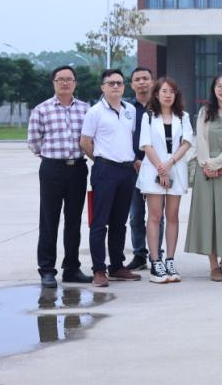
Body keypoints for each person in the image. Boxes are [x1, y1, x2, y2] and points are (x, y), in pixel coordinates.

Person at [28, 65, 92, 287]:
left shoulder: (85, 110)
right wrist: (51, 158)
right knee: (49, 220)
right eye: (60, 79)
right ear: (53, 83)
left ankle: (72, 268)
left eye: (69, 79)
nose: (65, 83)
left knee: (74, 220)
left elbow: (90, 138)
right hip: (52, 169)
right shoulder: (42, 110)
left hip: (78, 169)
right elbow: (34, 142)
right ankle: (47, 270)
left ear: (75, 83)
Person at [79, 69, 141, 287]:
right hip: (105, 170)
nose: (115, 86)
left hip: (127, 171)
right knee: (99, 222)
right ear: (103, 87)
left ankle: (117, 266)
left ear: (124, 87)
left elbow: (130, 138)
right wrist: (101, 160)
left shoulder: (130, 110)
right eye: (111, 83)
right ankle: (99, 270)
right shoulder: (94, 112)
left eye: (119, 83)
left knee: (119, 222)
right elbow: (85, 142)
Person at [185, 73, 222, 282]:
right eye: (219, 86)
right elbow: (199, 139)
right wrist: (207, 164)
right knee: (208, 217)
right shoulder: (204, 112)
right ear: (214, 89)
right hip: (205, 171)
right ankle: (213, 265)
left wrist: (218, 164)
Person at [137, 77, 195, 283]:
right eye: (164, 91)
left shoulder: (183, 116)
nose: (168, 95)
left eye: (172, 91)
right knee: (154, 216)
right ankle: (155, 262)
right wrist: (161, 169)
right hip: (153, 170)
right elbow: (146, 144)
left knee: (172, 216)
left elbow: (187, 142)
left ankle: (170, 260)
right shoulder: (149, 116)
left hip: (175, 170)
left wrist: (169, 164)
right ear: (156, 94)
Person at [126, 66, 159, 272]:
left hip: (157, 167)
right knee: (136, 215)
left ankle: (158, 254)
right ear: (132, 84)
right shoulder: (127, 109)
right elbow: (122, 137)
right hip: (134, 168)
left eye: (145, 78)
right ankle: (139, 255)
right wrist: (134, 160)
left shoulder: (161, 107)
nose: (141, 82)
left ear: (152, 82)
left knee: (157, 215)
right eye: (137, 79)